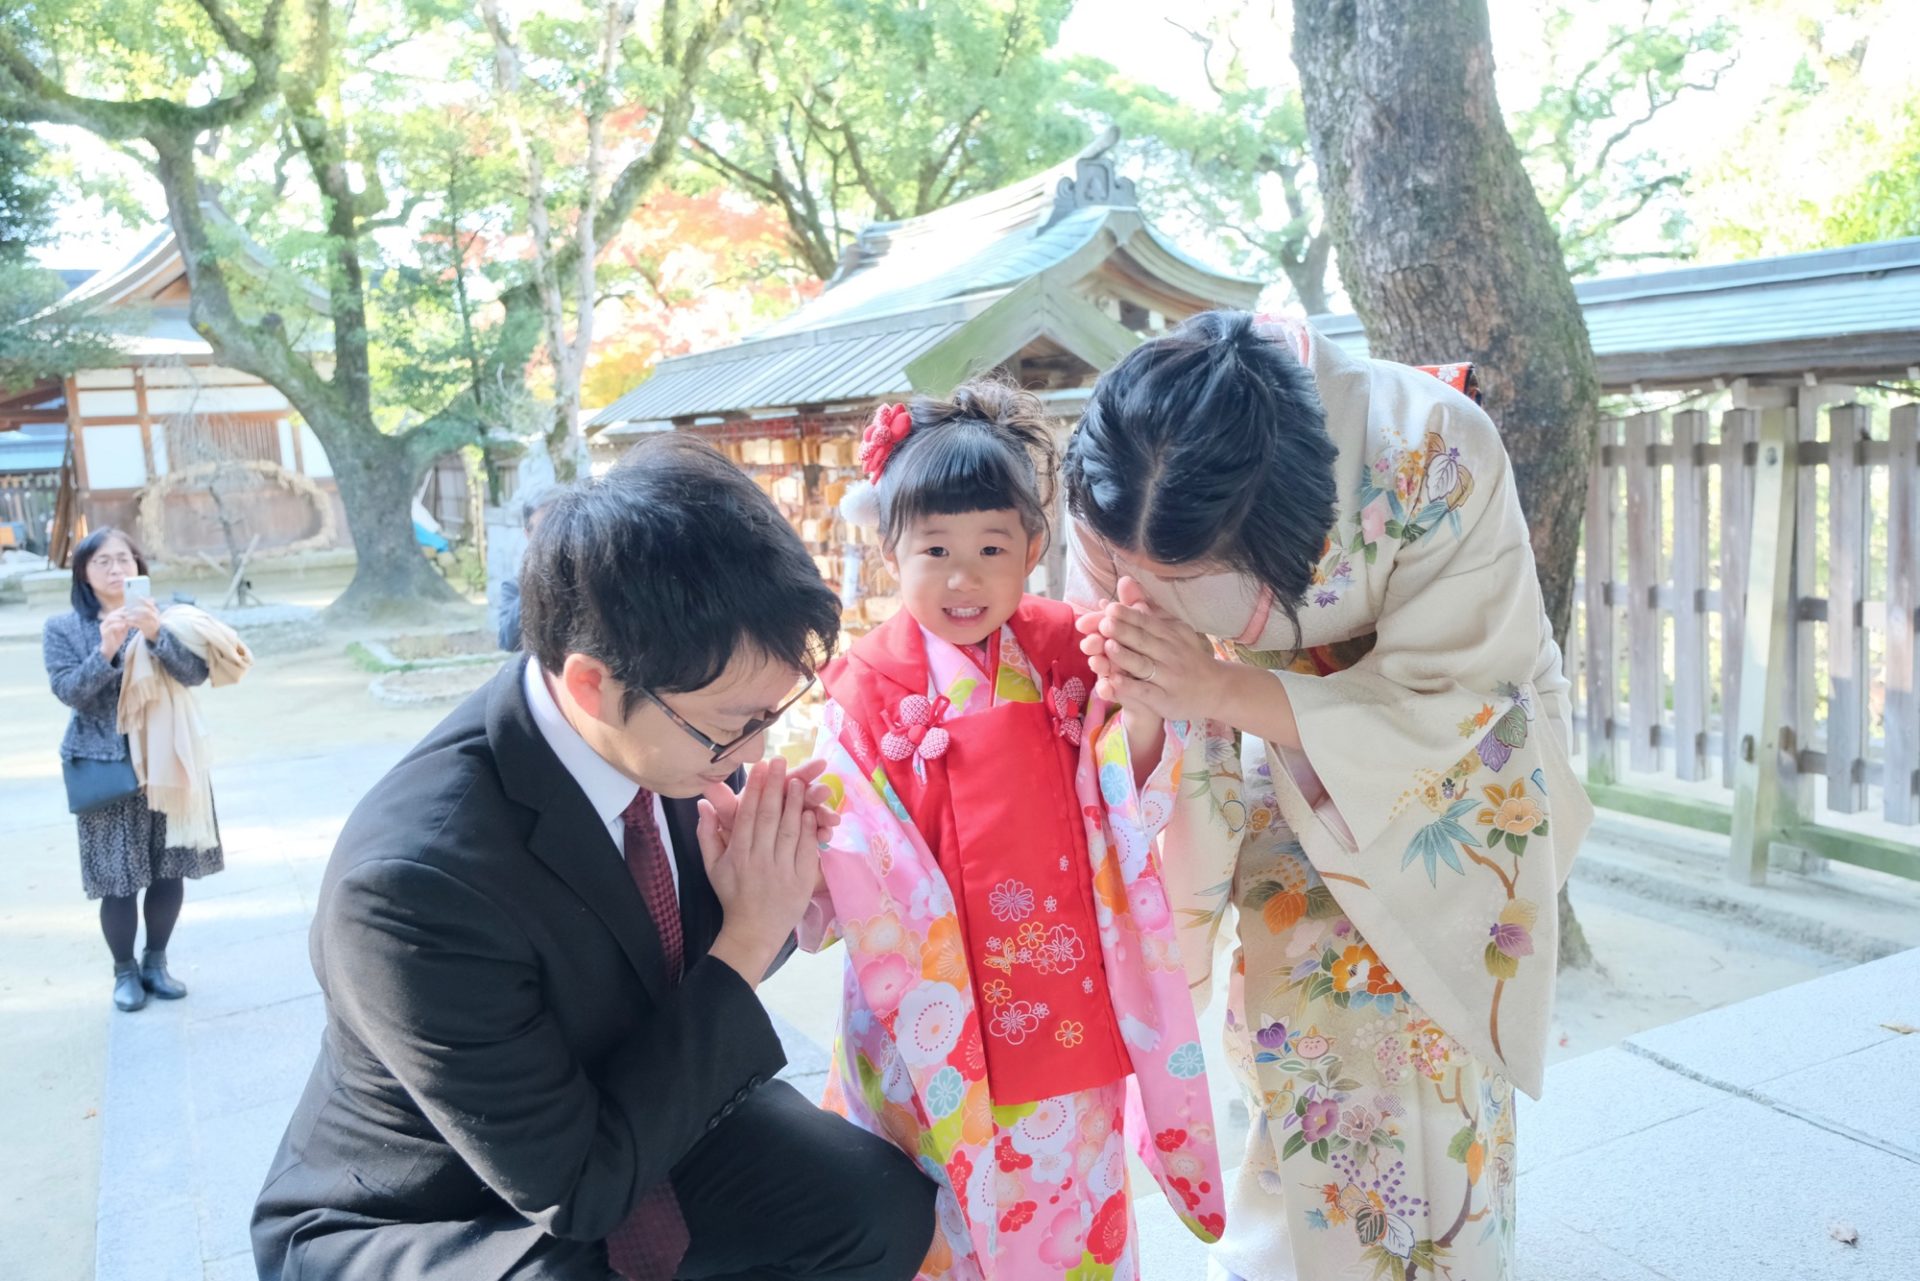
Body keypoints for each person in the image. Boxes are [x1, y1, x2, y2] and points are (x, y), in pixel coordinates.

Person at [252, 435, 936, 1281]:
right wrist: (747, 936)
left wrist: (770, 884)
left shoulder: (668, 728)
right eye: (733, 723)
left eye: (772, 713)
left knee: (877, 1205)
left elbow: (678, 946)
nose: (753, 749)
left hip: (624, 1092)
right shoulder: (411, 883)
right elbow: (575, 1189)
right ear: (590, 685)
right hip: (447, 1207)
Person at [1064, 311, 1593, 1281]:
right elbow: (1116, 697)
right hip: (1244, 764)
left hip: (1433, 776)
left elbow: (1474, 705)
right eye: (1128, 564)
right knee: (1280, 1054)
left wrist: (1220, 685)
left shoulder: (1430, 449)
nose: (1140, 584)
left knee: (1420, 1056)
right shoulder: (1119, 481)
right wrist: (1145, 695)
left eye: (1180, 576)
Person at [806, 383, 1225, 1279]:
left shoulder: (1069, 646)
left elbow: (1130, 784)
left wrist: (1143, 709)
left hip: (1064, 986)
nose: (964, 577)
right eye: (935, 550)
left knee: (1070, 1194)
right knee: (937, 1203)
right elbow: (854, 852)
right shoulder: (863, 684)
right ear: (890, 550)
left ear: (1033, 549)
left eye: (992, 547)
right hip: (930, 1002)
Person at [42, 528, 224, 1012]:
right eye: (102, 561)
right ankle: (124, 972)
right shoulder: (63, 628)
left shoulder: (169, 615)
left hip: (169, 759)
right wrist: (105, 650)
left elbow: (195, 674)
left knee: (169, 871)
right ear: (83, 571)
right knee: (117, 879)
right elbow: (70, 693)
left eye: (124, 559)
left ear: (138, 566)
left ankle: (156, 964)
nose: (116, 568)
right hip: (107, 767)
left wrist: (155, 634)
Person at [498, 489, 557, 652]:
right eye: (543, 530)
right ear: (528, 534)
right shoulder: (514, 587)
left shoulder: (591, 576)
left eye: (560, 526)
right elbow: (508, 641)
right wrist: (535, 578)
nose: (554, 536)